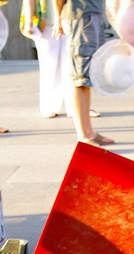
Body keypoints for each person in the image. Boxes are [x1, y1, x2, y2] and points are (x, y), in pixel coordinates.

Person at [55, 0, 114, 145]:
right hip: (80, 17)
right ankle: (84, 134)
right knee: (80, 77)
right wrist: (58, 19)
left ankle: (89, 132)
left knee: (87, 78)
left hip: (93, 14)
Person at [20, 0, 73, 118]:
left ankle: (75, 106)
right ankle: (49, 106)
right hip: (44, 22)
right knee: (49, 65)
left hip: (69, 17)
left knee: (71, 63)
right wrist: (29, 20)